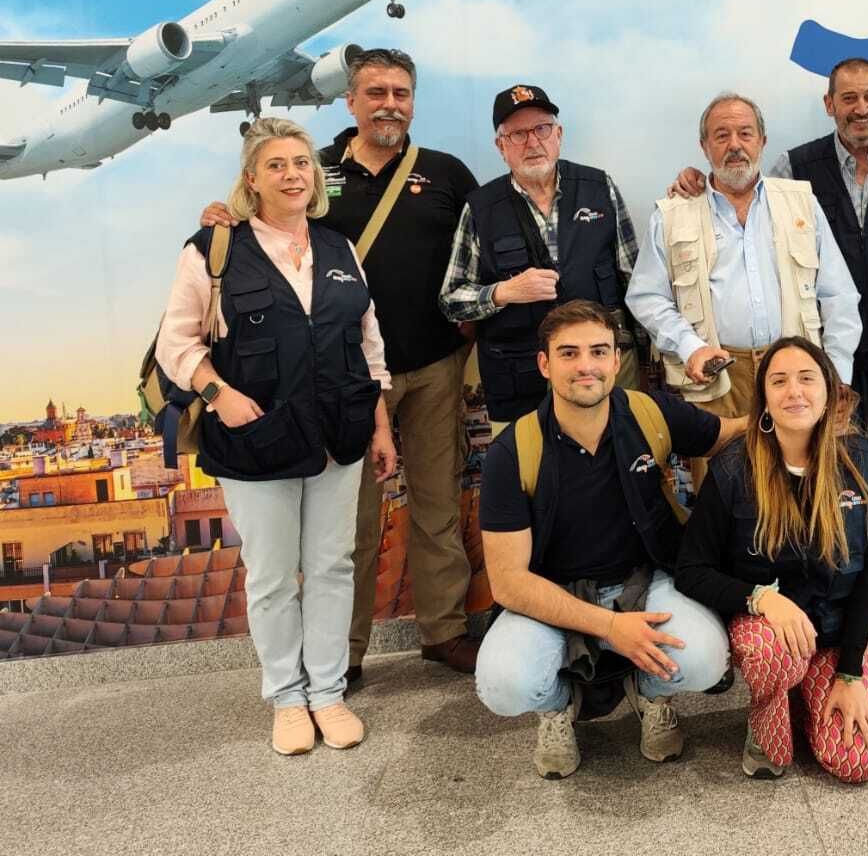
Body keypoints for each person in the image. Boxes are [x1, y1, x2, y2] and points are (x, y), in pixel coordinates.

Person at [201, 48, 481, 682]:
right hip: (346, 379)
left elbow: (487, 237)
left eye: (402, 93)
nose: (390, 104)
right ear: (349, 102)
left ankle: (443, 632)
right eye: (375, 91)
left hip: (435, 366)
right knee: (348, 525)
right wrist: (220, 218)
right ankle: (342, 656)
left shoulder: (446, 173)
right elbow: (252, 224)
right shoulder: (311, 168)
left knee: (438, 507)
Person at [667, 59, 868, 640]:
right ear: (829, 104)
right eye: (848, 97)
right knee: (807, 474)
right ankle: (807, 597)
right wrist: (694, 182)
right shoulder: (793, 168)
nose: (860, 107)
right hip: (812, 363)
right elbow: (738, 189)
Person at [158, 117, 397, 755]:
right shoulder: (213, 249)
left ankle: (327, 691)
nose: (293, 175)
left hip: (339, 438)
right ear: (251, 179)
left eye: (301, 164)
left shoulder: (339, 249)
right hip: (254, 439)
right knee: (269, 576)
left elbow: (368, 346)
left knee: (330, 566)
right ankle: (287, 698)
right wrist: (220, 395)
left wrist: (380, 426)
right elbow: (175, 344)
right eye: (277, 166)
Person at [473, 301, 744, 778]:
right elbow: (510, 585)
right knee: (503, 685)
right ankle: (559, 706)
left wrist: (795, 415)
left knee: (705, 658)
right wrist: (609, 626)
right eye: (569, 353)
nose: (586, 366)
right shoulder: (512, 452)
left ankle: (651, 694)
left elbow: (725, 434)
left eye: (598, 351)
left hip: (645, 581)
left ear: (616, 362)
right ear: (545, 364)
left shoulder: (648, 414)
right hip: (553, 593)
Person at [676, 337, 868, 783]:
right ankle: (770, 705)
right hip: (767, 633)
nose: (794, 391)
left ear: (829, 391)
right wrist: (760, 599)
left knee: (857, 763)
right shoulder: (732, 470)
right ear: (765, 401)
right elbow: (691, 571)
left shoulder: (859, 459)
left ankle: (808, 692)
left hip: (831, 634)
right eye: (779, 381)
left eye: (807, 379)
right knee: (776, 727)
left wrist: (850, 673)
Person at [627, 93, 862, 482]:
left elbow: (839, 294)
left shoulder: (800, 203)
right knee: (721, 491)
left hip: (796, 375)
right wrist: (691, 347)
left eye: (745, 133)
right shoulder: (673, 213)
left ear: (762, 141)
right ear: (705, 147)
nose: (735, 145)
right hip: (717, 380)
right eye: (721, 135)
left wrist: (836, 373)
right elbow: (646, 296)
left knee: (804, 486)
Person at [440, 84, 641, 429]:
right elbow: (451, 299)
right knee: (528, 476)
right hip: (519, 381)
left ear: (558, 134)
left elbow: (635, 280)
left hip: (601, 372)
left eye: (542, 129)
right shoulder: (480, 208)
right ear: (500, 146)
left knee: (618, 465)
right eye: (517, 134)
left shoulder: (599, 187)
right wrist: (503, 292)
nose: (532, 142)